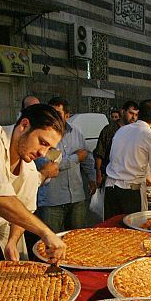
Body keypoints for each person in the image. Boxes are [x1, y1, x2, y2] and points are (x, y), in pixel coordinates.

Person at [0, 86, 66, 263]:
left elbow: (23, 209)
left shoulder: (30, 169)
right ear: (24, 125)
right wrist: (45, 232)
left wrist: (12, 241)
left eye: (49, 147)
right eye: (42, 142)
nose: (43, 152)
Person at [104, 99, 151, 219]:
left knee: (112, 232)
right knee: (134, 234)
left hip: (111, 191)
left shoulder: (122, 130)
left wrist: (147, 175)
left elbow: (123, 157)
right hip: (130, 194)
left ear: (139, 114)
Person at [35, 97, 91, 233]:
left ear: (67, 115)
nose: (53, 117)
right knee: (51, 243)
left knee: (78, 241)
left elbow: (87, 156)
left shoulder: (76, 131)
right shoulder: (41, 133)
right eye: (51, 113)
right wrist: (76, 158)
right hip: (52, 200)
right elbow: (45, 166)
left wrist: (93, 178)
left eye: (57, 113)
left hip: (76, 197)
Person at [94, 100, 139, 188]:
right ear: (123, 112)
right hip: (110, 177)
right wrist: (98, 174)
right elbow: (99, 153)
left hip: (129, 178)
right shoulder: (109, 130)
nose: (134, 117)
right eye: (131, 113)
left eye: (136, 115)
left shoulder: (135, 131)